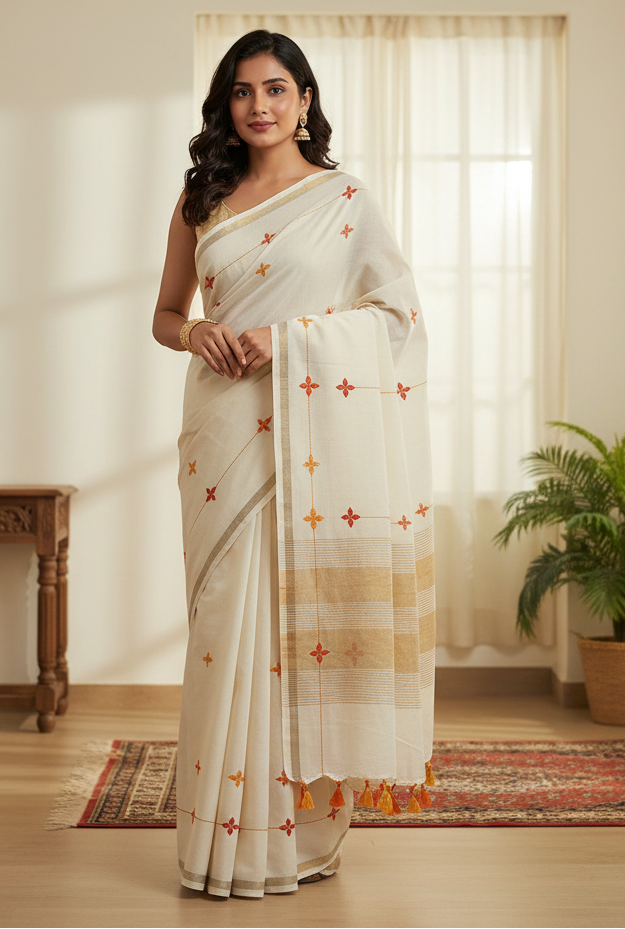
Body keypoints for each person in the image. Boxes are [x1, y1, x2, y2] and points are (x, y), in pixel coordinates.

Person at [152, 29, 436, 898]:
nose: (260, 106)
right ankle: (220, 841)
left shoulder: (344, 199)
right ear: (225, 107)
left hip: (314, 434)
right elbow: (165, 313)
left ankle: (299, 834)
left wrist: (291, 340)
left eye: (276, 89)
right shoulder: (203, 198)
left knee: (298, 627)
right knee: (226, 629)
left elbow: (395, 316)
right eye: (242, 92)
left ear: (305, 99)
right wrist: (195, 329)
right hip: (223, 436)